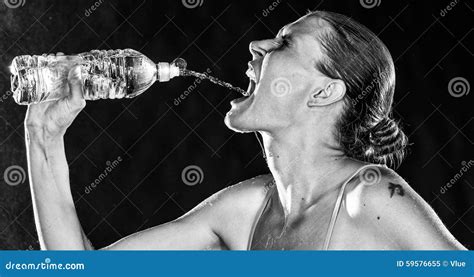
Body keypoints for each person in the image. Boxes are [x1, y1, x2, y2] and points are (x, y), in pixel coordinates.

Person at [24, 11, 466, 250]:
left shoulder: (369, 197)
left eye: (286, 42)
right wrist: (43, 137)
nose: (257, 45)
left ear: (324, 92)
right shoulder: (245, 211)